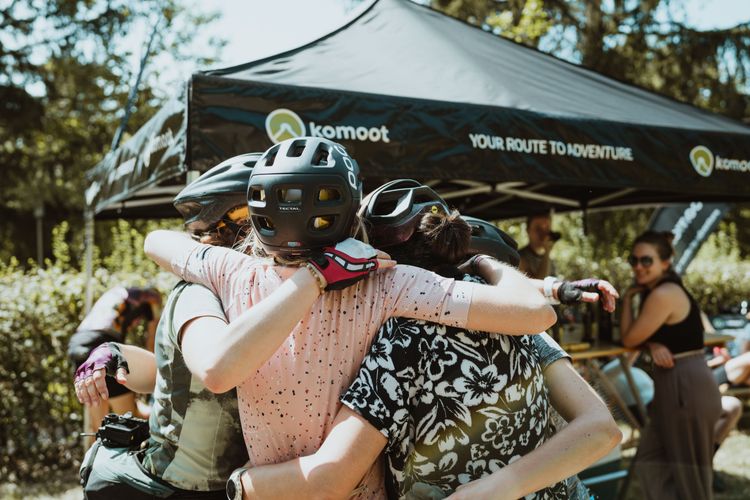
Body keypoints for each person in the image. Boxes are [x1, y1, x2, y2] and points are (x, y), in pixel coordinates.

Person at [144, 138, 594, 498]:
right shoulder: (385, 284)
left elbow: (156, 241)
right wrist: (482, 264)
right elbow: (535, 316)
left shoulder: (231, 272)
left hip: (276, 489)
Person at [234, 180, 620, 499]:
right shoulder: (511, 314)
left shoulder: (400, 337)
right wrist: (482, 263)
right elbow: (601, 429)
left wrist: (241, 484)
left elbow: (329, 477)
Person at [73, 153, 264, 499]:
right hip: (189, 486)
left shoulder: (278, 294)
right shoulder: (198, 293)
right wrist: (114, 353)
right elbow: (198, 369)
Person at [620, 230, 722, 500]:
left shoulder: (663, 294)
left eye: (646, 260)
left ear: (665, 263)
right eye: (634, 260)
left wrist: (628, 298)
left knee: (692, 481)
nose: (638, 267)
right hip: (675, 384)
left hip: (685, 385)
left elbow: (629, 337)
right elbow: (644, 337)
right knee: (648, 463)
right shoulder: (659, 291)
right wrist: (651, 345)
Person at [68, 285, 162, 444]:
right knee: (129, 424)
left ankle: (91, 468)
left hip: (78, 343)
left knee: (99, 428)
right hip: (102, 345)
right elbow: (153, 339)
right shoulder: (151, 298)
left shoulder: (119, 293)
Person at [518, 213, 558, 280]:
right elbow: (538, 283)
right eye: (538, 229)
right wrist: (547, 252)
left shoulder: (549, 259)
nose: (543, 234)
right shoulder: (520, 258)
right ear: (528, 231)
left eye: (547, 229)